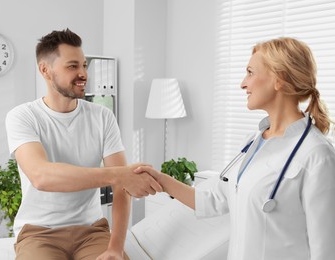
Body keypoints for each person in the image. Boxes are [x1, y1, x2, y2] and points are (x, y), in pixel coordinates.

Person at [135, 37, 335, 260]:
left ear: (280, 79)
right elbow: (213, 200)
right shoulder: (254, 141)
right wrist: (160, 180)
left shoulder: (317, 154)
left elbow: (325, 249)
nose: (243, 83)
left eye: (250, 72)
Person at [5, 28, 162, 260]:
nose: (83, 73)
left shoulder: (103, 116)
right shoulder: (23, 116)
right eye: (72, 66)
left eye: (84, 65)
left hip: (91, 231)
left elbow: (122, 187)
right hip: (39, 233)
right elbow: (41, 176)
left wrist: (116, 248)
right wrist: (118, 174)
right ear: (45, 71)